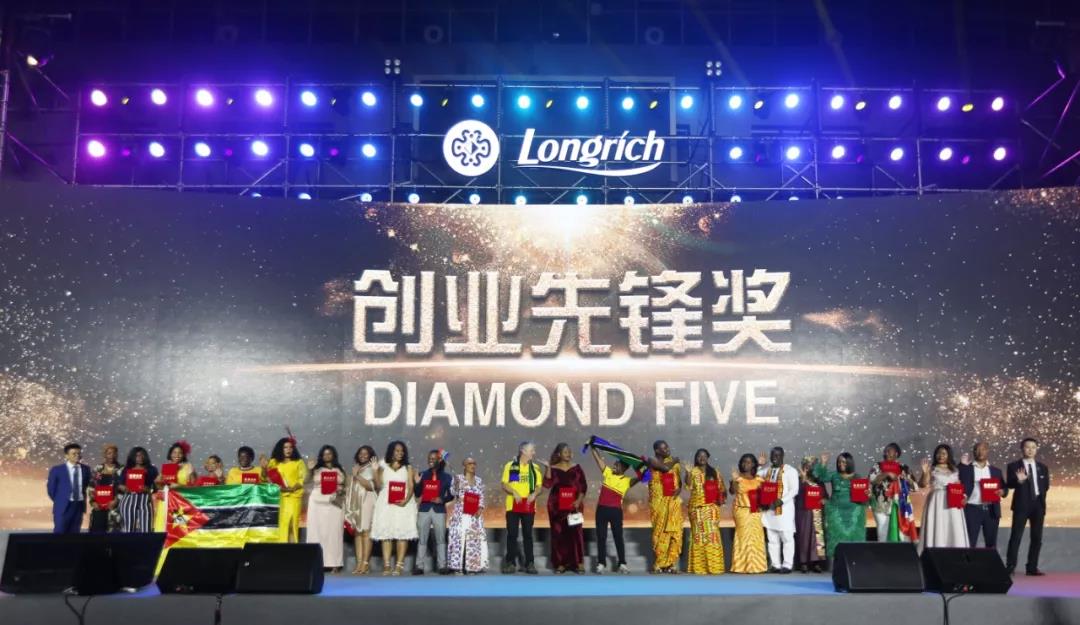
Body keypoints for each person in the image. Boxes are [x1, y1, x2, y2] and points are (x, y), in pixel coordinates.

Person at [588, 444, 640, 574]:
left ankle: (622, 563)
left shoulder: (627, 481)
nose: (614, 466)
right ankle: (601, 563)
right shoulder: (608, 473)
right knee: (601, 537)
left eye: (617, 465)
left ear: (624, 468)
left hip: (616, 512)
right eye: (615, 464)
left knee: (618, 537)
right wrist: (593, 448)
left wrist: (639, 463)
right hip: (601, 511)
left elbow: (642, 476)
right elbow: (599, 461)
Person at [371, 440, 419, 576]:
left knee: (402, 534)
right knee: (386, 534)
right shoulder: (383, 466)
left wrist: (405, 500)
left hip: (403, 503)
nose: (400, 453)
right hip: (386, 503)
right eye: (397, 450)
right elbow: (378, 486)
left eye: (402, 451)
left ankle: (399, 565)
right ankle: (386, 565)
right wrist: (374, 471)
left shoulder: (408, 467)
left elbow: (411, 486)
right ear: (391, 451)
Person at [812, 452, 868, 565]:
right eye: (839, 462)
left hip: (854, 513)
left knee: (853, 537)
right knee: (836, 538)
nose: (841, 464)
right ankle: (838, 565)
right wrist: (823, 463)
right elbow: (819, 476)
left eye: (844, 462)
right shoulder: (834, 475)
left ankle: (853, 563)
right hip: (836, 511)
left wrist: (867, 494)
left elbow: (862, 496)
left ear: (849, 462)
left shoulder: (857, 476)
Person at [1005, 438, 1050, 576]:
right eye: (1027, 447)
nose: (1030, 450)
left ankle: (1032, 567)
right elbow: (1009, 484)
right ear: (1022, 449)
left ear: (1036, 449)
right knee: (1016, 536)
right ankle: (1010, 566)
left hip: (1038, 505)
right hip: (1021, 505)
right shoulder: (1013, 466)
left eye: (1033, 447)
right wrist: (1019, 481)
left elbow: (1046, 486)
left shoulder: (1043, 467)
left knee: (1037, 538)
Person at [500, 441, 545, 574]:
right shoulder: (511, 465)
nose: (534, 453)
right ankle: (510, 563)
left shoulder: (534, 468)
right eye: (532, 450)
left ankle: (530, 563)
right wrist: (514, 492)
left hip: (528, 506)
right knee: (512, 534)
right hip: (513, 506)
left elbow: (539, 487)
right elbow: (504, 484)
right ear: (523, 451)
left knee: (528, 535)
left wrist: (534, 494)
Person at [543, 443, 587, 574]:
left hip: (574, 505)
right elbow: (547, 484)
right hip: (556, 506)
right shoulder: (553, 468)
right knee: (558, 534)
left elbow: (583, 486)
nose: (568, 454)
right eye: (565, 452)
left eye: (569, 451)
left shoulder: (577, 468)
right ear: (559, 454)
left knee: (576, 533)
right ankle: (560, 563)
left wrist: (578, 501)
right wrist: (548, 468)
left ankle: (578, 563)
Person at [917, 444, 970, 552]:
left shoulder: (955, 470)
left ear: (949, 455)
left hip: (953, 501)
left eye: (944, 453)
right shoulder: (931, 469)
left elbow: (958, 485)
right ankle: (935, 552)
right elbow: (922, 484)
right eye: (938, 453)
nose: (940, 455)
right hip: (937, 501)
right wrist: (925, 472)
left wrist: (963, 497)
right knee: (937, 525)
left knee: (953, 525)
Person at [756, 447, 799, 573]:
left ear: (782, 456)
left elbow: (794, 490)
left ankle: (787, 565)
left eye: (777, 455)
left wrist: (782, 500)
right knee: (772, 539)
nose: (775, 457)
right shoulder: (767, 470)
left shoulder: (790, 471)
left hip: (784, 510)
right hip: (770, 510)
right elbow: (756, 477)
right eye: (773, 455)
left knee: (787, 538)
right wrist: (760, 465)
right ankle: (775, 564)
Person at [958, 442, 1008, 549]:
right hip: (972, 509)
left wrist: (1003, 492)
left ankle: (989, 561)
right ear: (973, 452)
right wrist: (961, 465)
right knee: (969, 542)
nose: (980, 452)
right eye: (977, 449)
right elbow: (954, 478)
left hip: (991, 510)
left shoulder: (996, 471)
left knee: (991, 544)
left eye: (983, 449)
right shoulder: (966, 469)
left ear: (987, 451)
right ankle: (968, 561)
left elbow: (1004, 488)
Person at [644, 440, 683, 574]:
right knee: (660, 533)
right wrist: (675, 460)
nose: (667, 449)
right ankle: (659, 563)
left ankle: (671, 563)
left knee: (675, 532)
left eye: (667, 447)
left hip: (672, 501)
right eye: (664, 448)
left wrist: (678, 490)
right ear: (657, 451)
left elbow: (679, 483)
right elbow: (665, 468)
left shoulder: (674, 465)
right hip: (658, 503)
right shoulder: (651, 460)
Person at [868, 442, 919, 542]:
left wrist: (906, 479)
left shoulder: (904, 467)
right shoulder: (878, 466)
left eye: (889, 451)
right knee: (883, 534)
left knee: (900, 535)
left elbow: (915, 487)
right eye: (885, 451)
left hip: (900, 506)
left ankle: (898, 552)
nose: (886, 453)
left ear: (896, 453)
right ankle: (883, 552)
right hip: (881, 505)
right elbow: (871, 480)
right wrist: (886, 474)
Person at [306, 445, 347, 572]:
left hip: (334, 502)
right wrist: (309, 470)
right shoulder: (316, 468)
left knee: (335, 533)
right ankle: (316, 563)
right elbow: (306, 481)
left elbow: (345, 485)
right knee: (316, 532)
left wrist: (341, 491)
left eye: (329, 453)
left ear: (333, 455)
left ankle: (335, 563)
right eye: (324, 454)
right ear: (321, 456)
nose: (327, 456)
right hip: (317, 502)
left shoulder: (340, 469)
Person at [414, 449, 454, 575]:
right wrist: (417, 483)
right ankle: (419, 566)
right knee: (422, 539)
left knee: (441, 539)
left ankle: (442, 566)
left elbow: (452, 495)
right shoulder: (422, 474)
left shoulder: (447, 477)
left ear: (439, 460)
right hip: (424, 509)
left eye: (433, 459)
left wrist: (442, 499)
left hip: (439, 510)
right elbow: (417, 494)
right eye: (429, 459)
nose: (430, 461)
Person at [685, 449, 725, 575]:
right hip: (697, 509)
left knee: (712, 536)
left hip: (711, 509)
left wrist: (720, 499)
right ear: (696, 458)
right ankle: (699, 567)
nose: (702, 458)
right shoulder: (693, 471)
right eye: (699, 456)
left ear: (708, 457)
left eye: (704, 456)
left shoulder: (714, 472)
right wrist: (687, 473)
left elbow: (722, 489)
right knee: (699, 537)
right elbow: (688, 486)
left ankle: (714, 566)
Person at [448, 456, 488, 574]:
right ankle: (457, 567)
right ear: (464, 466)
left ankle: (472, 567)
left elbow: (481, 495)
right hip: (460, 514)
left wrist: (480, 508)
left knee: (474, 540)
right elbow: (453, 492)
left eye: (474, 463)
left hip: (474, 515)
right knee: (458, 539)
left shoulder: (479, 480)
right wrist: (456, 485)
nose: (472, 465)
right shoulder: (458, 478)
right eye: (469, 463)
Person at [263, 437, 307, 542]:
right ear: (280, 449)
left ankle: (293, 548)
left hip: (294, 497)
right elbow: (266, 477)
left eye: (290, 447)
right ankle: (281, 548)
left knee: (293, 524)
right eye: (285, 447)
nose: (288, 450)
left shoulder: (299, 462)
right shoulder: (274, 462)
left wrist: (293, 488)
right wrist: (264, 468)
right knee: (281, 524)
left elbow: (302, 478)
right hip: (279, 498)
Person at [730, 453, 766, 574]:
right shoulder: (738, 478)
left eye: (749, 462)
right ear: (741, 464)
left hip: (756, 512)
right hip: (742, 511)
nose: (746, 464)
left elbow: (765, 496)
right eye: (744, 462)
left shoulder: (759, 479)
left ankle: (757, 566)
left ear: (753, 464)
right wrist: (734, 480)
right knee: (743, 537)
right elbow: (732, 491)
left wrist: (763, 502)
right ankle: (741, 566)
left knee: (756, 538)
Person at [344, 445, 377, 574]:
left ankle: (365, 563)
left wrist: (356, 475)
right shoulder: (355, 468)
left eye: (366, 453)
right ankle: (359, 563)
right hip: (356, 503)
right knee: (358, 532)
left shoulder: (372, 468)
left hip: (367, 501)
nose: (363, 455)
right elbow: (350, 487)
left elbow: (371, 486)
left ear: (370, 455)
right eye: (360, 453)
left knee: (366, 531)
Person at [47, 443, 93, 534]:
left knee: (75, 534)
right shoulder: (57, 470)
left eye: (79, 453)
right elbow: (51, 489)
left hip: (78, 506)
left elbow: (86, 485)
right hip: (63, 507)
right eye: (74, 454)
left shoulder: (86, 469)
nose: (77, 456)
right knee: (60, 532)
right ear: (66, 456)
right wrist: (60, 500)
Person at [794, 456, 826, 573]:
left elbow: (825, 496)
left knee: (816, 538)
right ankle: (803, 563)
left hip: (816, 512)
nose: (808, 467)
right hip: (803, 512)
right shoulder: (798, 479)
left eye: (811, 465)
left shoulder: (819, 480)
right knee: (804, 536)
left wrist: (824, 500)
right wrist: (803, 479)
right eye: (806, 465)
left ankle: (816, 562)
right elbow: (795, 493)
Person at [117, 446, 158, 532]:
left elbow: (157, 486)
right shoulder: (126, 469)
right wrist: (124, 488)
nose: (140, 457)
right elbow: (119, 484)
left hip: (145, 501)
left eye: (142, 455)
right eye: (137, 455)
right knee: (128, 530)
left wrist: (148, 489)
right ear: (133, 457)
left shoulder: (152, 470)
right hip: (129, 499)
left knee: (146, 529)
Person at [88, 444, 122, 533]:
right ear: (104, 455)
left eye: (114, 453)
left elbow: (124, 487)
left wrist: (116, 501)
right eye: (109, 453)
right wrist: (93, 502)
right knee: (97, 534)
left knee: (113, 533)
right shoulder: (98, 468)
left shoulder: (122, 469)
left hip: (115, 507)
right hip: (99, 507)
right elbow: (91, 487)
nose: (112, 456)